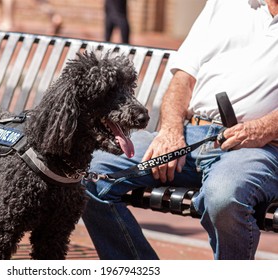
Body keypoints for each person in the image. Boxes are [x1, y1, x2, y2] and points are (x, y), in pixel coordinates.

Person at [82, 0, 278, 260]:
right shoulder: (225, 4)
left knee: (223, 197)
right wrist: (171, 132)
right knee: (87, 171)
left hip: (256, 148)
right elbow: (183, 79)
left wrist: (263, 128)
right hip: (191, 136)